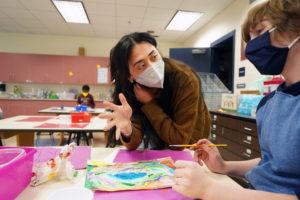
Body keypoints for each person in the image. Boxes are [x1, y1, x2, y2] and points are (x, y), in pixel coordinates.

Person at [172, 0, 300, 199]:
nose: (254, 46)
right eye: (250, 39)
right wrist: (224, 166)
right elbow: (270, 163)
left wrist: (209, 189)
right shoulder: (269, 104)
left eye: (260, 31)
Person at [99, 32, 211, 149]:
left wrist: (149, 102)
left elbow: (179, 143)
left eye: (154, 57)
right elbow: (133, 143)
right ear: (130, 76)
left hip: (191, 144)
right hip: (160, 142)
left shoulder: (184, 79)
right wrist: (128, 129)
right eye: (142, 65)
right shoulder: (134, 89)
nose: (152, 66)